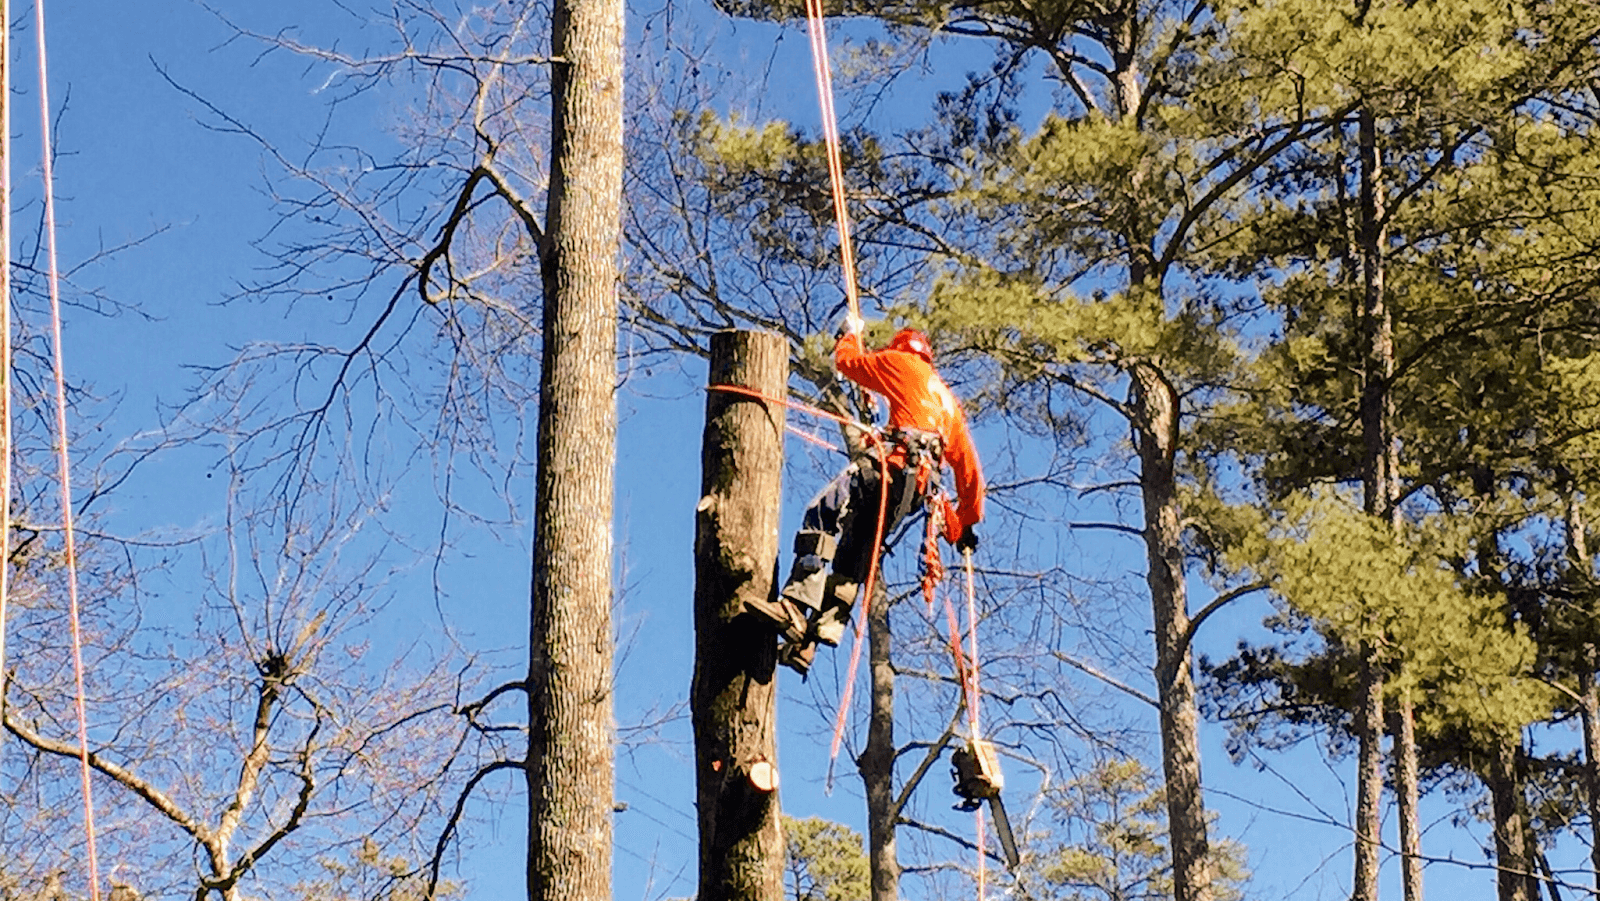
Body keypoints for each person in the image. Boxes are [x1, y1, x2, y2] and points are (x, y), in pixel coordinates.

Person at [746, 312, 984, 674]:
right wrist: (963, 526)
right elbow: (970, 474)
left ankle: (795, 606)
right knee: (854, 552)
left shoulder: (902, 363)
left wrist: (849, 334)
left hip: (889, 468)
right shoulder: (948, 402)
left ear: (902, 349)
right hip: (914, 492)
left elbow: (849, 363)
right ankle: (810, 641)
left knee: (823, 511)